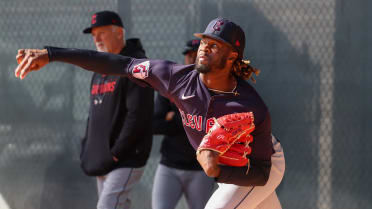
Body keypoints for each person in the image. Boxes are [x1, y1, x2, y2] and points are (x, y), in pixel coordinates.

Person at [15, 17, 285, 209]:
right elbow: (117, 64)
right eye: (205, 41)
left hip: (258, 164)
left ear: (232, 58)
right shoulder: (175, 78)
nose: (204, 48)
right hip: (227, 167)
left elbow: (260, 173)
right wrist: (52, 54)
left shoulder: (249, 106)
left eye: (215, 46)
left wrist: (218, 172)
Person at [61, 11, 154, 209]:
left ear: (119, 33)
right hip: (104, 156)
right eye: (94, 35)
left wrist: (116, 153)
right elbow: (93, 113)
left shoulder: (135, 66)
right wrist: (88, 147)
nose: (96, 39)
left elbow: (138, 115)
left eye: (101, 33)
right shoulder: (100, 68)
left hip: (125, 157)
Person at [152, 39, 215, 209]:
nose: (192, 58)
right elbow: (155, 124)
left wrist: (174, 118)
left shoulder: (214, 88)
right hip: (169, 164)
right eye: (189, 55)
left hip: (200, 168)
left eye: (197, 55)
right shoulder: (172, 85)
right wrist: (188, 120)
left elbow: (209, 126)